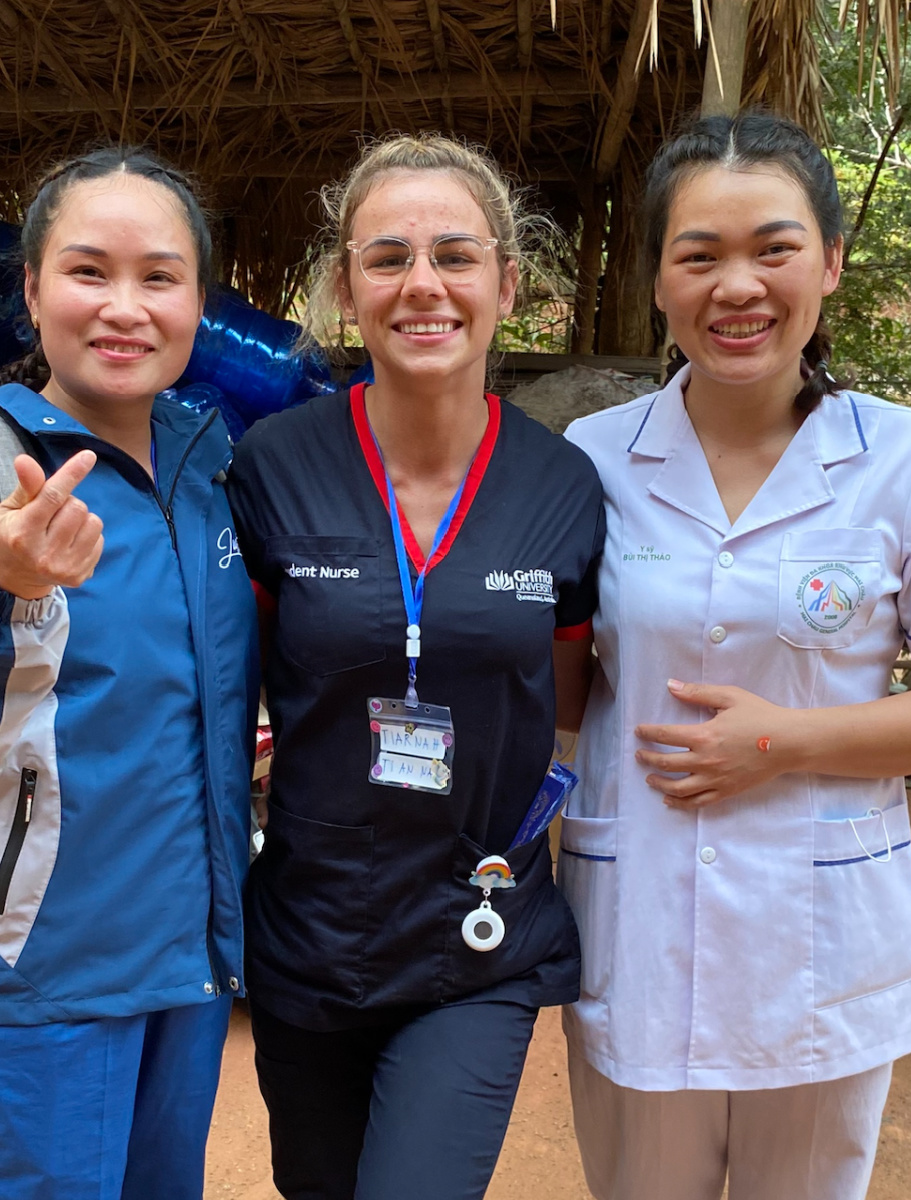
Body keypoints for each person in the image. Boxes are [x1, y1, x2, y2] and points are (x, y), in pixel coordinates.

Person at [557, 111, 911, 1200]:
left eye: (774, 249)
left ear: (831, 265)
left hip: (824, 945)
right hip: (641, 921)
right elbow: (560, 681)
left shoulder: (909, 460)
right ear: (661, 282)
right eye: (700, 255)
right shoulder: (593, 458)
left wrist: (784, 740)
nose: (739, 288)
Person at [0, 147, 259, 1200]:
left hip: (188, 966)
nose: (124, 307)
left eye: (159, 277)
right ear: (32, 289)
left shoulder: (206, 466)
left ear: (198, 302)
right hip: (31, 977)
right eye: (88, 271)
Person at [225, 134, 605, 1200]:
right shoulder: (273, 469)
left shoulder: (562, 487)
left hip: (478, 937)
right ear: (346, 288)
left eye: (455, 254)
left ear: (507, 282)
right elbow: (241, 682)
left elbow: (562, 696)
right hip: (309, 932)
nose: (422, 284)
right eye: (386, 257)